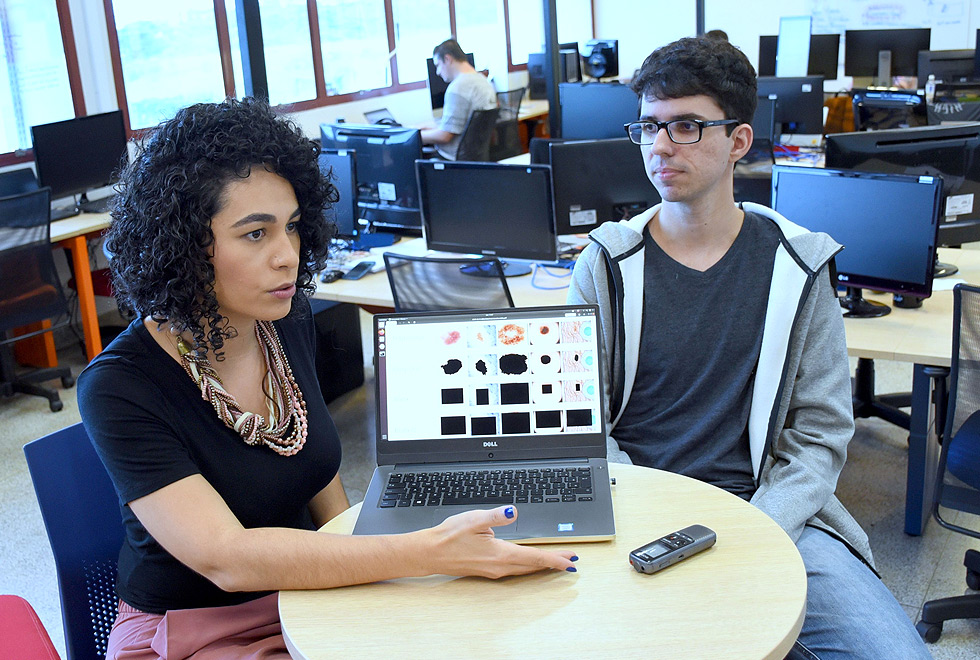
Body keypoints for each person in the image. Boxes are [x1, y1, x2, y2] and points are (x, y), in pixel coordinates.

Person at [78, 97, 576, 659]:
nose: (288, 255)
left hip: (305, 593)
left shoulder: (284, 320)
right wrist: (426, 553)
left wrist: (387, 579)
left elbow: (316, 477)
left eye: (292, 227)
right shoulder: (121, 386)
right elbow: (228, 559)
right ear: (184, 246)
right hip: (197, 629)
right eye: (255, 235)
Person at [567, 37, 930, 660]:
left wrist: (754, 529)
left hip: (769, 513)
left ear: (738, 140)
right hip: (635, 512)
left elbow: (817, 433)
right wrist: (647, 512)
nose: (660, 148)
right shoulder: (605, 264)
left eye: (686, 126)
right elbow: (580, 424)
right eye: (651, 126)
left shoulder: (799, 262)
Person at [421, 38, 497, 160]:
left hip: (452, 159)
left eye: (438, 65)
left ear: (447, 59)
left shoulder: (458, 87)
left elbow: (444, 136)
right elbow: (465, 127)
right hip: (475, 158)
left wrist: (415, 135)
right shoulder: (483, 82)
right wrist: (428, 127)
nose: (437, 72)